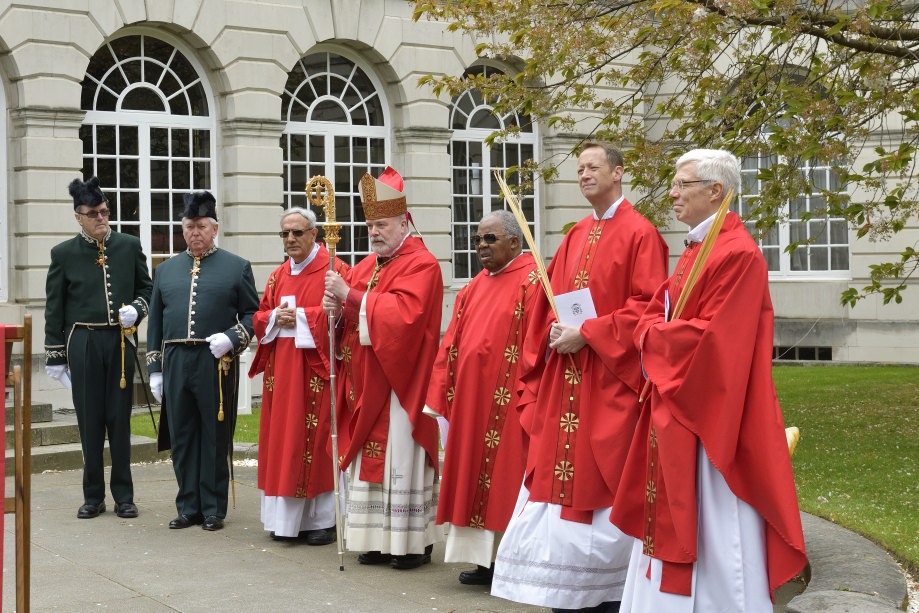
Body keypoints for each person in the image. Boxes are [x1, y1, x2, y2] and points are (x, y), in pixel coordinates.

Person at [610, 149, 807, 612]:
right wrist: (649, 331)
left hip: (712, 416)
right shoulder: (700, 247)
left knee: (714, 518)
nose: (672, 194)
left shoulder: (737, 253)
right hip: (679, 405)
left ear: (715, 191)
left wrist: (651, 336)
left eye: (682, 185)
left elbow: (715, 341)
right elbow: (659, 310)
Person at [491, 142, 669, 613]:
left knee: (601, 487)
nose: (584, 175)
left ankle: (607, 592)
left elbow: (649, 309)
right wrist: (551, 328)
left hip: (609, 383)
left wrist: (589, 333)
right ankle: (563, 593)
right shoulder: (574, 235)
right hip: (567, 377)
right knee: (556, 485)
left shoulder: (641, 234)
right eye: (580, 169)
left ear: (619, 173)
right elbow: (550, 297)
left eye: (593, 167)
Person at [322, 166, 443, 570]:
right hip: (367, 383)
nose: (374, 232)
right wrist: (335, 311)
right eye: (370, 224)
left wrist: (351, 296)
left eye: (382, 224)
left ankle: (410, 544)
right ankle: (373, 540)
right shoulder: (365, 265)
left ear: (404, 221)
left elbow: (406, 320)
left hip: (400, 385)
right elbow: (345, 322)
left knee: (399, 460)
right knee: (368, 466)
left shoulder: (422, 264)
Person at [424, 210, 538, 586]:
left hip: (511, 403)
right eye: (477, 240)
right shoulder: (473, 286)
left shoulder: (535, 282)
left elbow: (540, 342)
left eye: (490, 239)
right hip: (472, 404)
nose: (481, 247)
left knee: (508, 479)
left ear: (515, 242)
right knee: (473, 477)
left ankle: (512, 561)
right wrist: (441, 391)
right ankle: (483, 562)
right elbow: (451, 341)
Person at [146, 190, 259, 532]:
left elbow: (254, 315)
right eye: (189, 226)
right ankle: (188, 506)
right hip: (177, 360)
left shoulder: (237, 266)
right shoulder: (164, 271)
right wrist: (155, 370)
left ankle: (213, 508)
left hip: (215, 360)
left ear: (214, 229)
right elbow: (156, 323)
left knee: (213, 436)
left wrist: (232, 338)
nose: (194, 233)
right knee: (182, 436)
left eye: (200, 226)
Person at [44, 176, 153, 520]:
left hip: (119, 341)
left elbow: (147, 290)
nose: (101, 218)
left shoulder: (129, 245)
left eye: (104, 211)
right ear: (78, 216)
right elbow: (54, 307)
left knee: (120, 421)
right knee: (90, 422)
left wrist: (137, 308)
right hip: (84, 342)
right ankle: (93, 496)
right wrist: (56, 356)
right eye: (93, 213)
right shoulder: (63, 254)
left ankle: (124, 495)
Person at [249, 207, 349, 544]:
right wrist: (276, 316)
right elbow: (260, 315)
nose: (291, 239)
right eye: (285, 234)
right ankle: (285, 522)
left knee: (316, 441)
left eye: (297, 232)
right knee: (283, 444)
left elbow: (345, 315)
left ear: (314, 234)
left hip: (316, 372)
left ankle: (322, 521)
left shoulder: (335, 270)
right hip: (282, 373)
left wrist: (304, 317)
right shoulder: (278, 275)